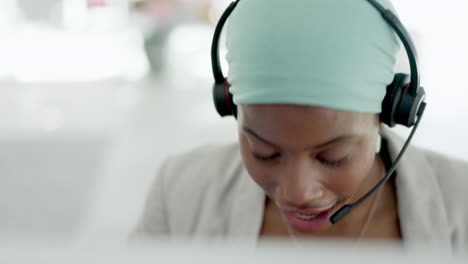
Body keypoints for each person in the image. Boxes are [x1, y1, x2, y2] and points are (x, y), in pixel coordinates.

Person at [131, 0, 468, 247]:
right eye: (264, 153)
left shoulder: (460, 202)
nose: (297, 193)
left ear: (389, 111)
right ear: (230, 104)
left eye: (332, 156)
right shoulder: (178, 195)